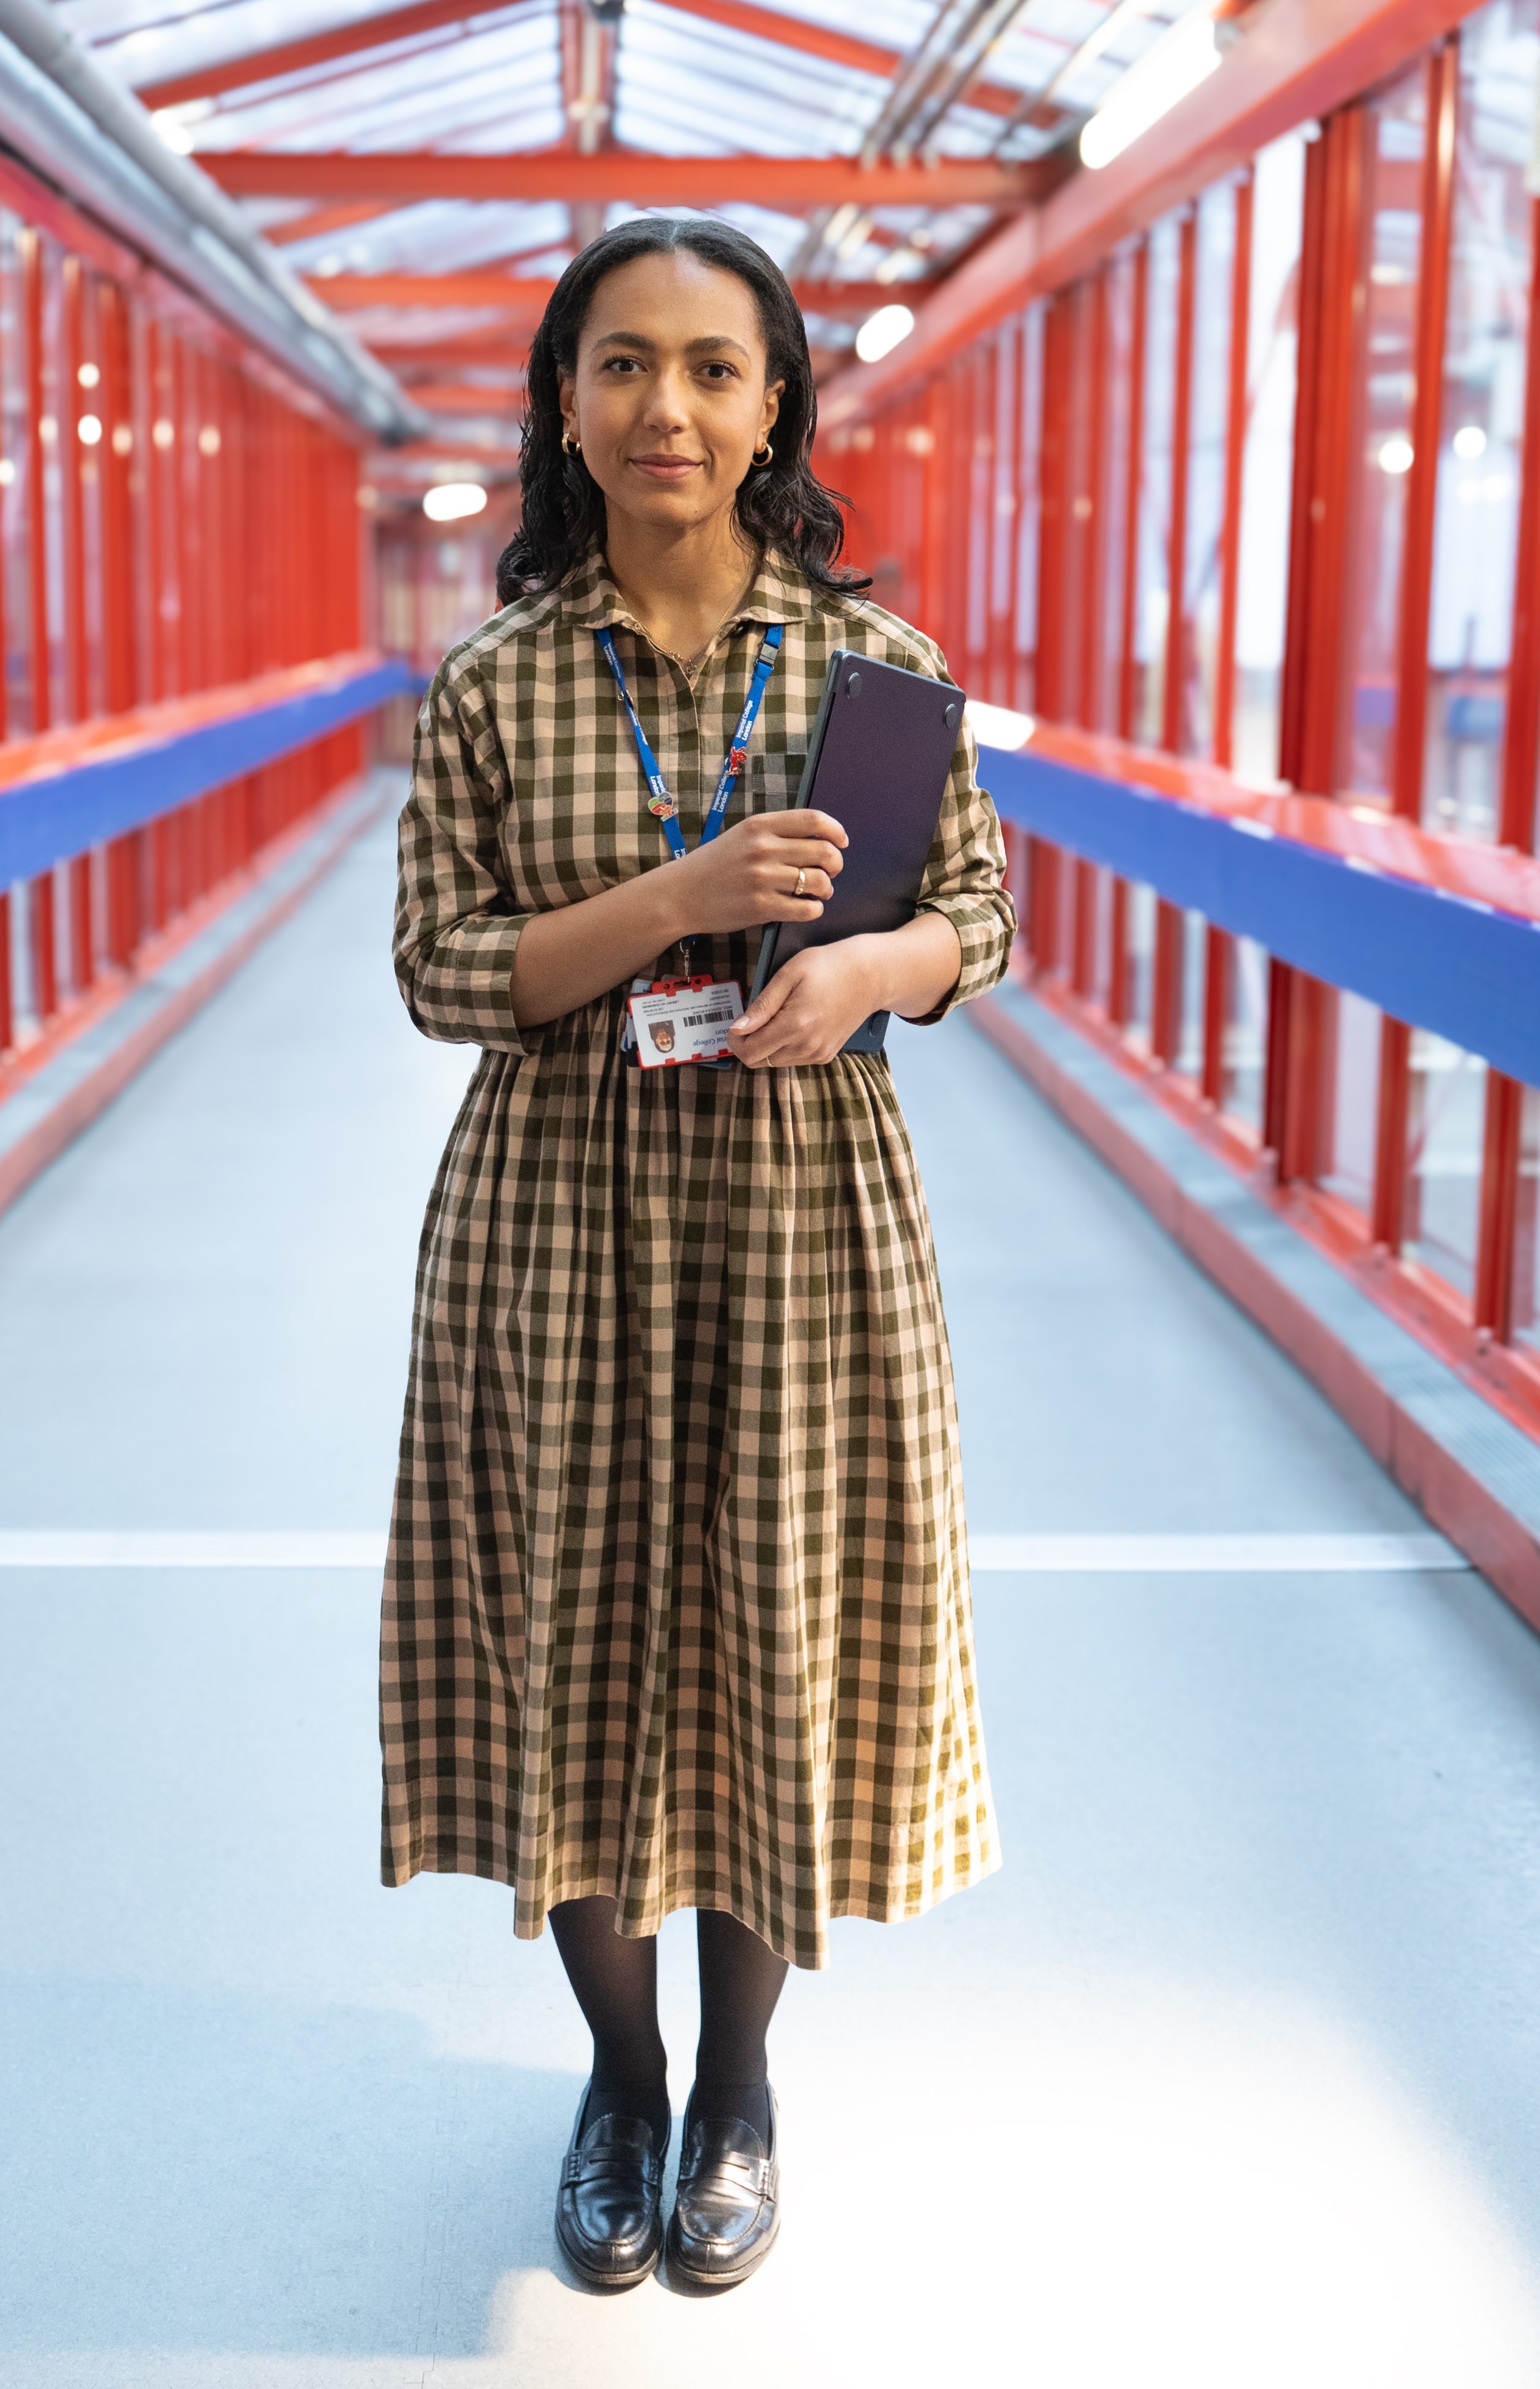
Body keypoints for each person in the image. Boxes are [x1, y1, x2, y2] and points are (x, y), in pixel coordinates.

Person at [383, 216, 1015, 2295]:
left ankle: (740, 2082)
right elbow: (446, 972)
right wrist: (677, 901)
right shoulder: (492, 684)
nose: (670, 406)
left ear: (774, 406)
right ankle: (621, 2077)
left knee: (773, 1636)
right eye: (626, 364)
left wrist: (878, 971)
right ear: (567, 398)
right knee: (570, 1637)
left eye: (715, 368)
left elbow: (977, 922)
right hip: (557, 1212)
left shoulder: (883, 674)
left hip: (801, 1210)